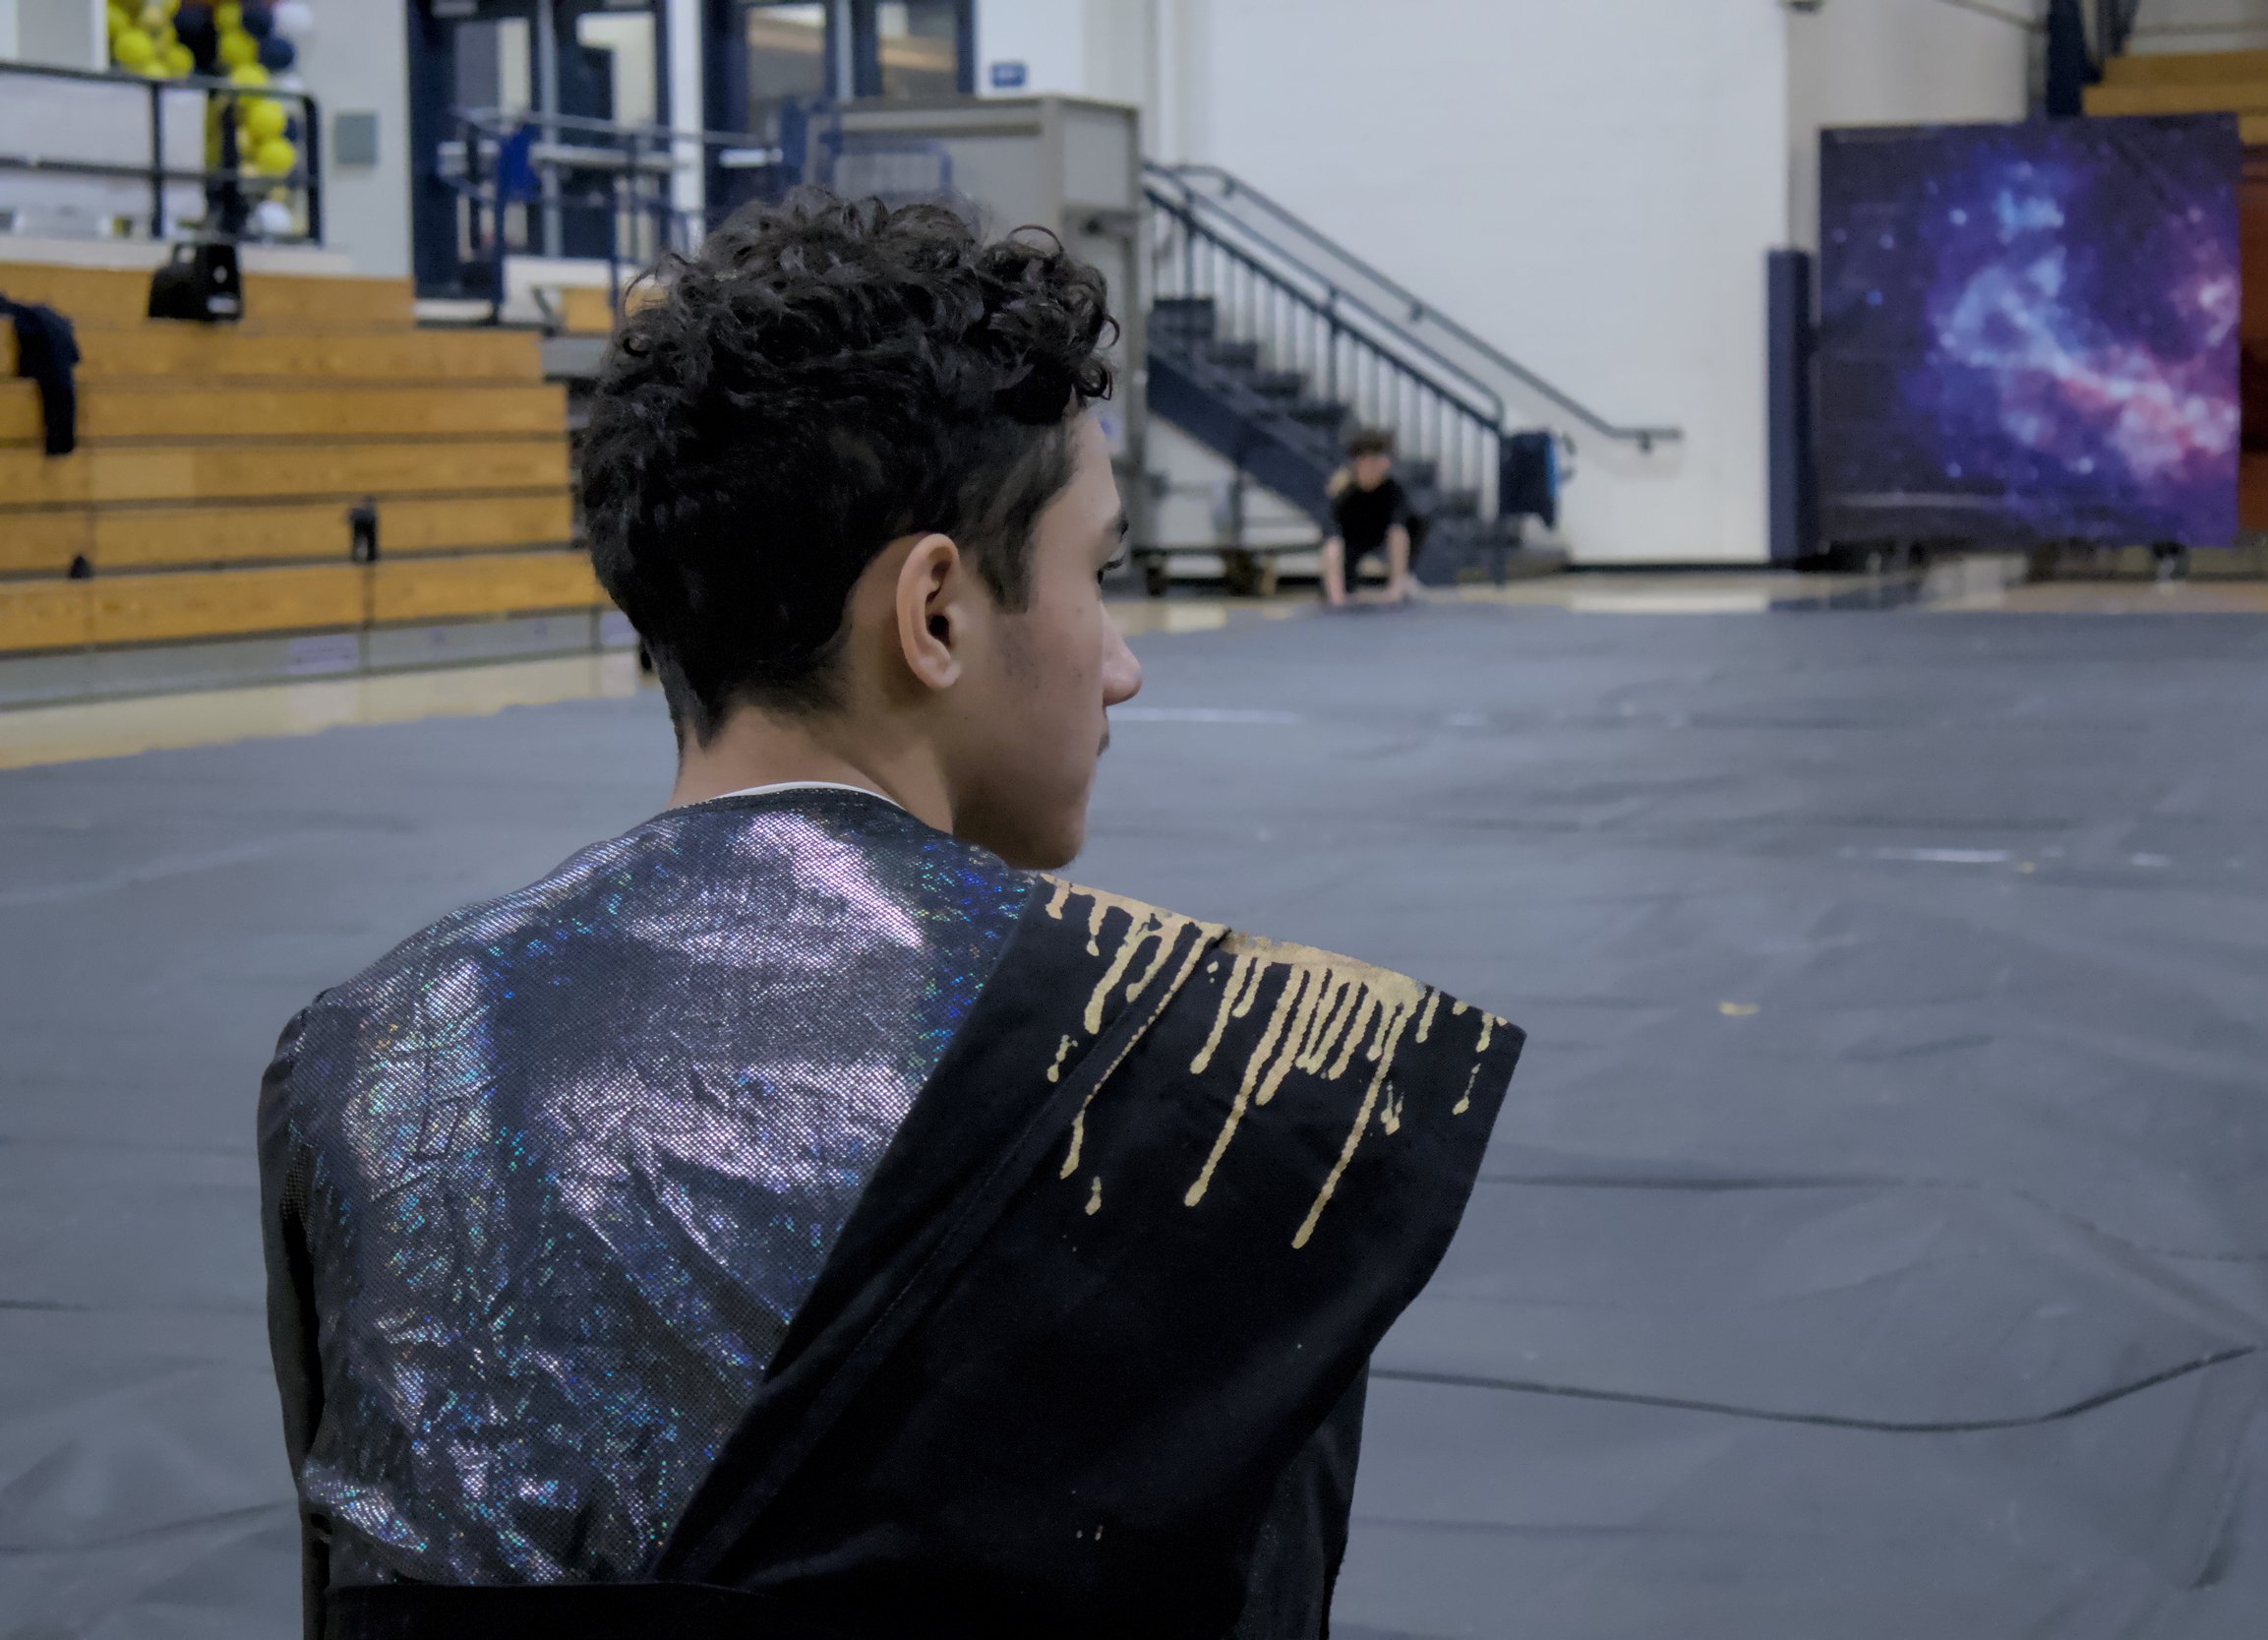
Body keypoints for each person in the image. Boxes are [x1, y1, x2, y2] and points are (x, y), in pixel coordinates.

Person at [256, 192, 1522, 1640]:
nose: (1120, 667)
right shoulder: (1217, 1097)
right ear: (934, 611)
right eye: (1095, 578)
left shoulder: (370, 1056)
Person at [1321, 430, 1415, 605]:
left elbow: (1399, 525)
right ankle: (1336, 595)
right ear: (1362, 462)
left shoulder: (1391, 488)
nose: (1385, 464)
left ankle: (1398, 586)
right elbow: (1330, 532)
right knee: (1333, 546)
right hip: (1350, 541)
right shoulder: (1343, 491)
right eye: (1377, 459)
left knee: (1399, 533)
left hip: (1378, 535)